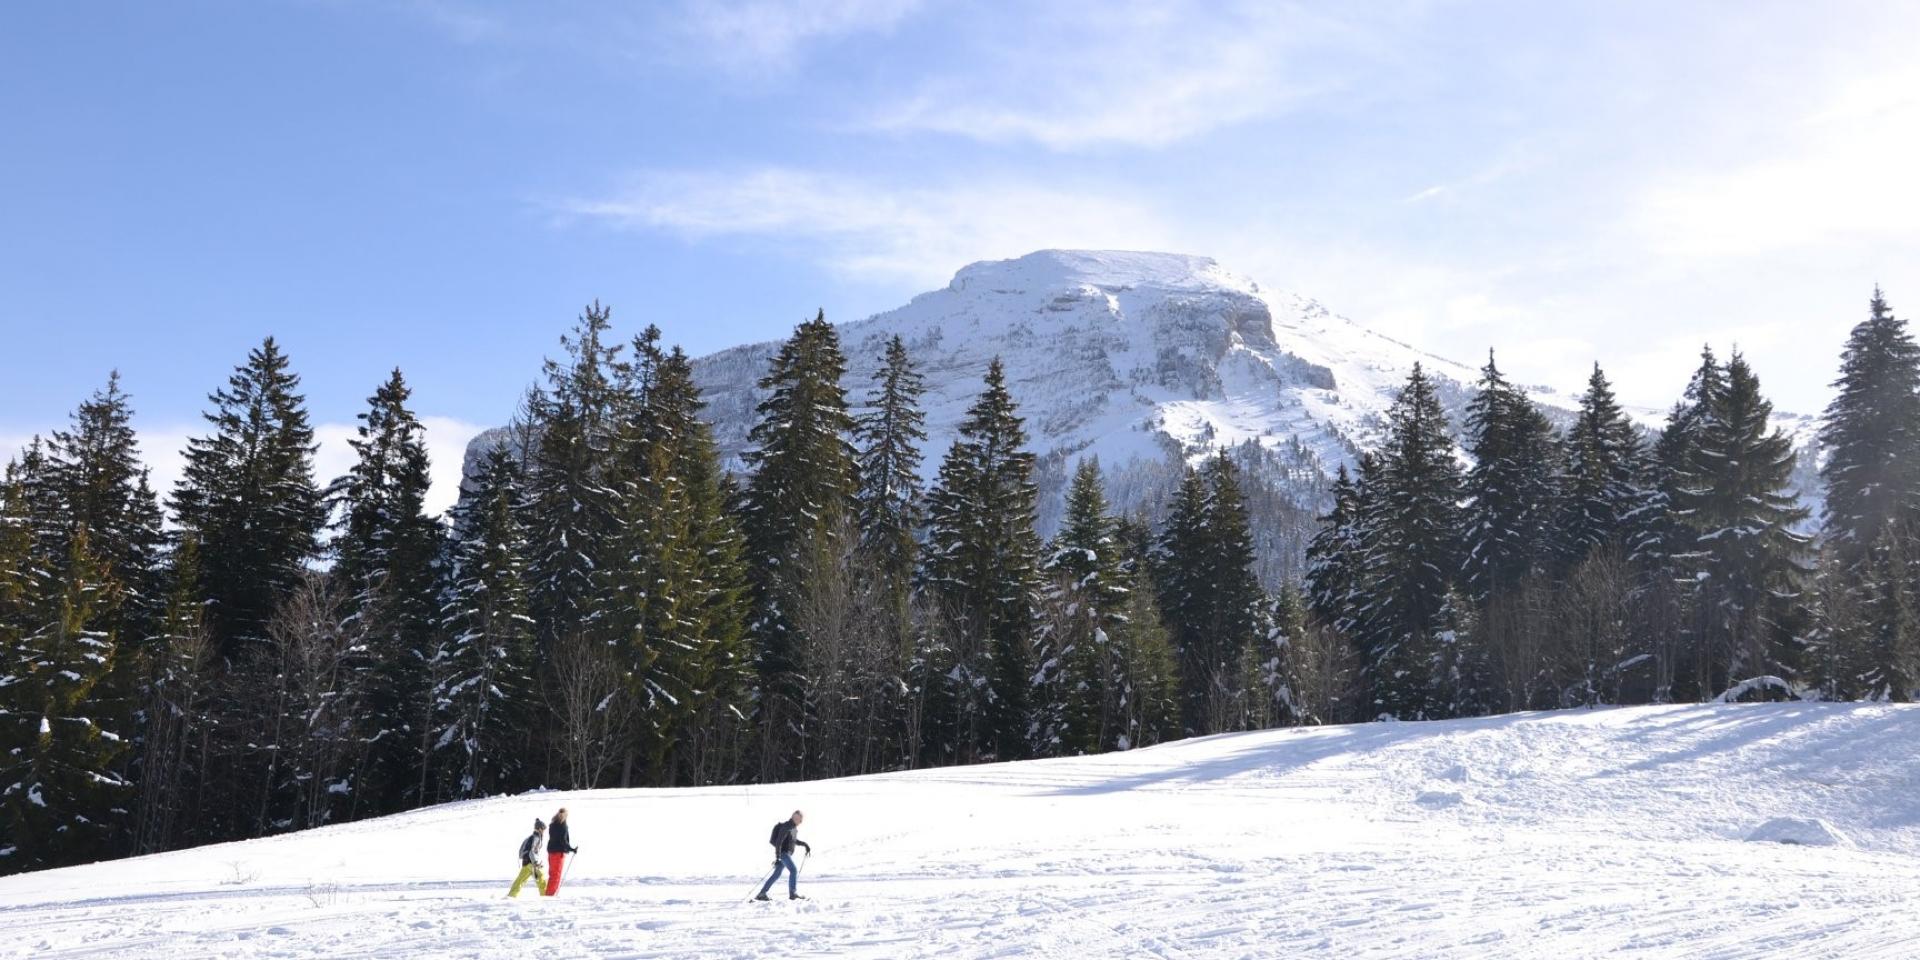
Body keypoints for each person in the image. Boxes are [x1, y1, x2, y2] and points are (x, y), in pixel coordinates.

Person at [755, 810, 811, 901]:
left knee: (776, 874)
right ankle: (793, 893)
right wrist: (777, 857)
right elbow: (779, 842)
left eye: (801, 820)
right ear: (794, 817)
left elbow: (793, 841)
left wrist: (805, 844)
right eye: (799, 819)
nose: (800, 822)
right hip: (783, 853)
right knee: (793, 870)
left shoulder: (793, 828)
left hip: (786, 854)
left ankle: (762, 894)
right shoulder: (787, 827)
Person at [508, 819, 546, 897]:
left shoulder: (529, 838)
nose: (544, 831)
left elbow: (521, 851)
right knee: (541, 879)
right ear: (540, 829)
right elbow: (532, 851)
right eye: (543, 829)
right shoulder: (536, 838)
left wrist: (525, 858)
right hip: (532, 864)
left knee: (520, 881)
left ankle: (511, 896)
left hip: (526, 863)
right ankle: (545, 897)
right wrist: (535, 863)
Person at [545, 807, 578, 896]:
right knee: (556, 875)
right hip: (558, 853)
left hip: (551, 852)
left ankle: (548, 894)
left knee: (552, 874)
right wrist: (571, 849)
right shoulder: (563, 826)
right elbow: (563, 840)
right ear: (565, 815)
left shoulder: (552, 825)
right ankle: (550, 895)